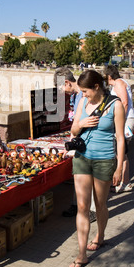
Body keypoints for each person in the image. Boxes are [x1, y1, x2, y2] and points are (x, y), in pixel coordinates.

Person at [68, 69, 125, 267]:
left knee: (100, 205)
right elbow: (73, 130)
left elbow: (120, 138)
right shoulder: (83, 103)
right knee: (83, 206)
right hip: (82, 158)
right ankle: (82, 254)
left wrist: (119, 167)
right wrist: (82, 123)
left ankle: (100, 236)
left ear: (96, 87)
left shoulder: (115, 105)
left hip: (104, 160)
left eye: (86, 91)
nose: (83, 95)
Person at [54, 68, 97, 222]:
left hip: (87, 142)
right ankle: (77, 204)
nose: (62, 92)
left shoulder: (82, 96)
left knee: (87, 176)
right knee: (78, 175)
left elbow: (81, 122)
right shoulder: (77, 96)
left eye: (61, 88)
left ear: (66, 82)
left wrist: (72, 142)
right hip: (80, 141)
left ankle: (91, 209)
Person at [104, 65, 134, 193]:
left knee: (122, 153)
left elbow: (124, 102)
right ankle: (124, 182)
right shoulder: (121, 82)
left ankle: (125, 182)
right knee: (122, 153)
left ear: (109, 76)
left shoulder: (118, 83)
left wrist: (119, 120)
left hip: (126, 119)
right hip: (127, 119)